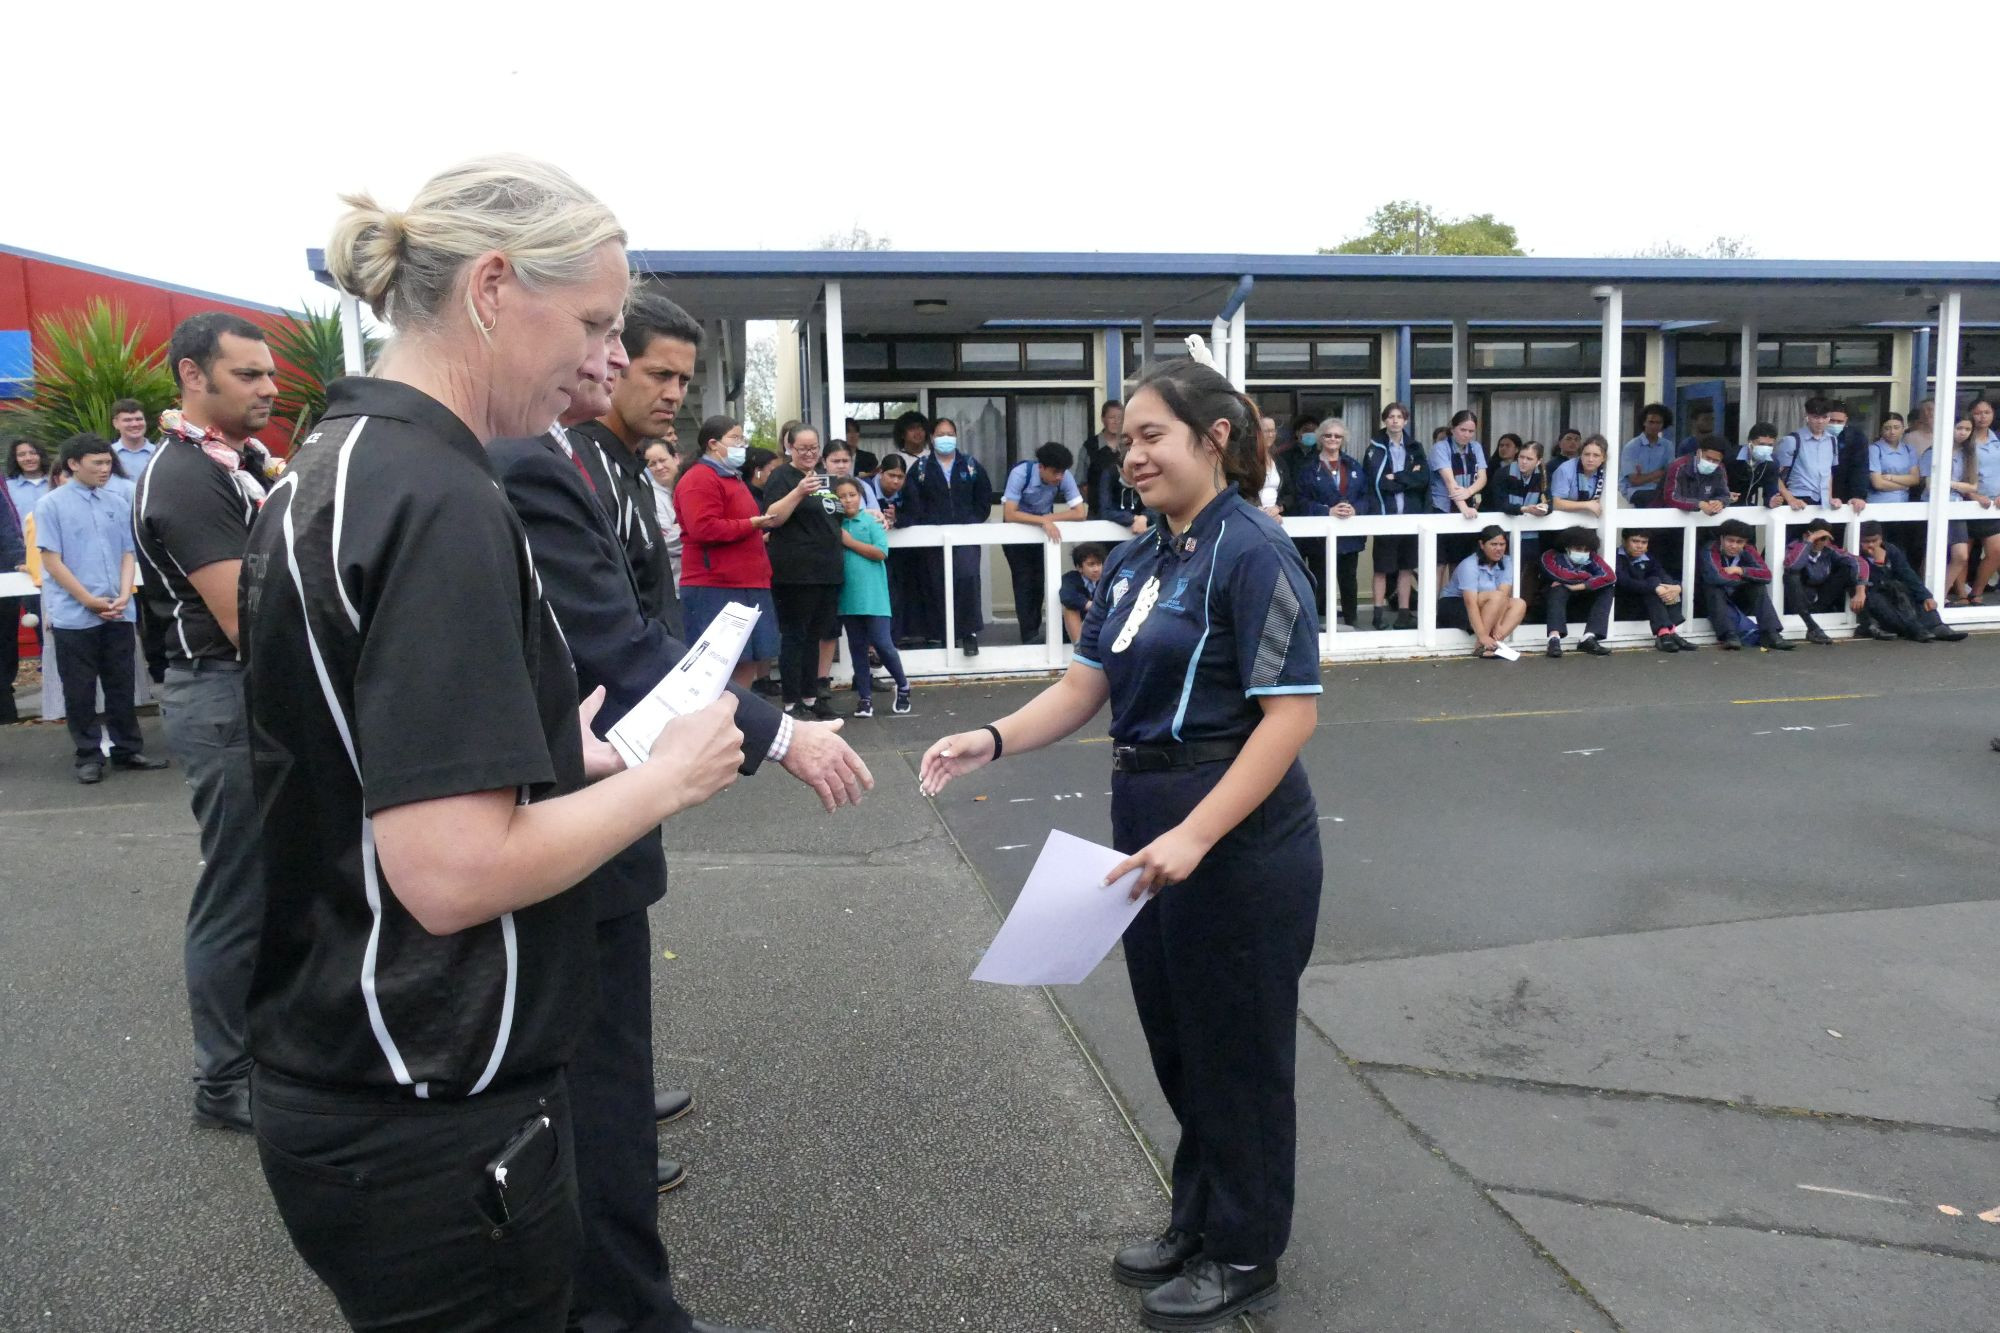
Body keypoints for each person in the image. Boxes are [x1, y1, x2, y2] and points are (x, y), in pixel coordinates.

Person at [243, 154, 763, 1333]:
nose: (604, 356)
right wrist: (665, 776)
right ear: (489, 288)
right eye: (587, 320)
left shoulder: (332, 465)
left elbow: (346, 757)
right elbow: (453, 874)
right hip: (429, 1095)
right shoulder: (442, 496)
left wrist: (546, 755)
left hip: (347, 1067)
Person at [919, 348, 1322, 1330]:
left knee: (1238, 1050)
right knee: (1179, 1039)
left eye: (1150, 436)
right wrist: (992, 736)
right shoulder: (1140, 554)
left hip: (1232, 823)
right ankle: (1198, 1217)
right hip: (1146, 815)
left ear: (1212, 438)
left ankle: (1242, 1249)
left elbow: (1287, 717)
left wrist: (1194, 832)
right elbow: (1083, 683)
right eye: (1123, 440)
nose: (1131, 455)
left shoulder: (1254, 550)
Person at [493, 326, 864, 1333]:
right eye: (620, 351)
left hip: (605, 799)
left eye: (663, 371)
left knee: (603, 1082)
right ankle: (625, 1312)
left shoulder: (598, 463)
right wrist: (780, 733)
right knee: (589, 1098)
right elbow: (617, 641)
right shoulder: (534, 464)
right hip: (568, 804)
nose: (638, 378)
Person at [130, 312, 277, 1135]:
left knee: (274, 882)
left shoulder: (232, 463)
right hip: (225, 694)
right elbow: (246, 617)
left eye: (268, 373)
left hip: (246, 693)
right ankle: (223, 1078)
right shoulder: (187, 478)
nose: (267, 388)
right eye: (247, 374)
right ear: (193, 375)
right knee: (240, 890)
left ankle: (267, 1052)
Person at [35, 434, 164, 783]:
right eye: (97, 463)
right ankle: (88, 755)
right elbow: (52, 561)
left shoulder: (116, 502)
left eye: (108, 462)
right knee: (80, 689)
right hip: (75, 615)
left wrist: (124, 594)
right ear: (74, 464)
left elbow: (127, 553)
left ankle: (127, 748)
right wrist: (88, 600)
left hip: (119, 609)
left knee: (121, 684)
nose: (105, 469)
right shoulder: (51, 505)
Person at [565, 292, 693, 636]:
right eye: (660, 374)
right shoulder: (577, 464)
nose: (674, 394)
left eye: (683, 380)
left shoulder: (636, 470)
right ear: (615, 364)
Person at [678, 415, 793, 687]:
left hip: (749, 582)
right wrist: (750, 524)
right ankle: (722, 722)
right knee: (721, 667)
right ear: (713, 444)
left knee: (748, 662)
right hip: (716, 585)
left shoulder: (732, 478)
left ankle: (739, 722)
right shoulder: (699, 478)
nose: (742, 444)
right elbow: (703, 528)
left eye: (742, 438)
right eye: (735, 438)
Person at [763, 425, 845, 719]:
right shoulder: (782, 476)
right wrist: (798, 492)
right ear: (790, 449)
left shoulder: (825, 479)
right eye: (803, 449)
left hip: (828, 569)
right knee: (795, 636)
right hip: (796, 571)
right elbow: (772, 518)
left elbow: (838, 513)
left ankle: (812, 698)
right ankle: (791, 702)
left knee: (816, 636)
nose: (809, 454)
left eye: (814, 448)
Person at [899, 415, 993, 656]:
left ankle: (968, 633)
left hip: (965, 536)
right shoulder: (919, 469)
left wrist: (971, 521)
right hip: (932, 538)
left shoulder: (971, 465)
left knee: (967, 578)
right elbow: (912, 503)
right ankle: (941, 636)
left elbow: (983, 500)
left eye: (949, 434)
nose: (945, 439)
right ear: (932, 438)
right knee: (935, 584)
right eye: (940, 434)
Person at [833, 476, 911, 717]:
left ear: (861, 497)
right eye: (842, 496)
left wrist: (850, 542)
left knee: (882, 643)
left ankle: (904, 686)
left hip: (874, 596)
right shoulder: (834, 524)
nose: (847, 500)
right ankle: (865, 698)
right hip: (848, 597)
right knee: (857, 647)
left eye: (852, 495)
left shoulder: (870, 521)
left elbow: (880, 553)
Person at [1001, 441, 1086, 644]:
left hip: (1041, 533)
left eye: (1062, 472)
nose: (1059, 477)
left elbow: (1080, 513)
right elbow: (1010, 513)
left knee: (1039, 581)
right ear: (1042, 467)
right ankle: (1028, 635)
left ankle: (1035, 632)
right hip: (1016, 534)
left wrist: (1047, 520)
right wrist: (1043, 521)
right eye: (1055, 472)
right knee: (1023, 580)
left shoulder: (1064, 476)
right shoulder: (1021, 474)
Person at [1286, 418, 1364, 627]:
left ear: (1343, 439)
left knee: (1348, 579)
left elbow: (1366, 496)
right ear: (1321, 438)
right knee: (1320, 579)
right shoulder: (1308, 468)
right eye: (1328, 435)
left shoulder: (1353, 465)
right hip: (1319, 537)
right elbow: (1301, 501)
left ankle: (1352, 620)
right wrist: (1326, 511)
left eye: (1337, 436)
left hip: (1349, 535)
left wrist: (1356, 509)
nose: (1333, 439)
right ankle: (1317, 623)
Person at [1362, 401, 1428, 630]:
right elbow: (1377, 482)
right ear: (1385, 420)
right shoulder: (1375, 448)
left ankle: (1403, 614)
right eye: (1391, 416)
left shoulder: (1415, 447)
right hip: (1385, 516)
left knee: (1406, 568)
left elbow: (1423, 479)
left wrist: (1398, 477)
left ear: (1406, 420)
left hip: (1410, 517)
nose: (1395, 420)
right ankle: (1378, 614)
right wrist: (1407, 478)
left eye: (1399, 416)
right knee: (1381, 568)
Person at [1855, 522, 1967, 642]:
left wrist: (1926, 596)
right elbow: (1871, 582)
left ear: (1881, 538)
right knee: (1882, 601)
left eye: (1875, 540)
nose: (1871, 545)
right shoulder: (1857, 555)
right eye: (1866, 542)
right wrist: (1878, 563)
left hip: (1894, 591)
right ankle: (1914, 629)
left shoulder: (1891, 550)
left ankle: (1937, 626)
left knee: (1914, 594)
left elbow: (1908, 574)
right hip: (1873, 593)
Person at [1700, 518, 1791, 649]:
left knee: (1758, 586)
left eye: (1739, 542)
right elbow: (1716, 576)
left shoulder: (1748, 550)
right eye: (1730, 540)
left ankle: (1771, 634)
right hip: (1711, 602)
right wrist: (1748, 578)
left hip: (1737, 597)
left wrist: (1741, 571)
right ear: (1721, 538)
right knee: (1713, 587)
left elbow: (1766, 575)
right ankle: (1729, 635)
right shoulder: (1710, 548)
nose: (1734, 545)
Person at [1439, 524, 1526, 658]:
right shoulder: (1469, 564)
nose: (1499, 549)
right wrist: (1482, 635)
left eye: (1502, 544)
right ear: (1482, 544)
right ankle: (1481, 645)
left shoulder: (1507, 561)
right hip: (1455, 604)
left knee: (1519, 603)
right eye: (1493, 544)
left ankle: (1494, 643)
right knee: (1495, 597)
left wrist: (1498, 624)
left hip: (1491, 603)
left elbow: (1504, 594)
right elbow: (1470, 603)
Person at [1538, 526, 1616, 657]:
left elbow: (1610, 576)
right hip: (1553, 599)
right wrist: (1588, 576)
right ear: (1567, 546)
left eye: (1586, 550)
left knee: (1607, 588)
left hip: (1581, 596)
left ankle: (1589, 637)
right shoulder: (1550, 556)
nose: (1583, 553)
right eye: (1578, 549)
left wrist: (1580, 586)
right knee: (1558, 588)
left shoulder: (1592, 558)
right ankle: (1554, 639)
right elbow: (1560, 575)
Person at [1615, 531, 1696, 651]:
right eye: (1635, 541)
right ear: (1624, 541)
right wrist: (1654, 587)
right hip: (1624, 602)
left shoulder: (1649, 558)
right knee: (1653, 587)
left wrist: (1676, 587)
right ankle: (1666, 633)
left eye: (1644, 542)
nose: (1640, 546)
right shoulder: (1616, 556)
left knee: (1661, 584)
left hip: (1649, 605)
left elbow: (1663, 575)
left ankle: (1669, 632)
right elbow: (1624, 581)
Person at [1429, 410, 1487, 575]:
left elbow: (1482, 478)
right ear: (1453, 428)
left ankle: (1455, 600)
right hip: (1443, 509)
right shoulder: (1440, 448)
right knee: (1439, 563)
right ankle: (1435, 601)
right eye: (1463, 430)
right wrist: (1464, 508)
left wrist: (1468, 492)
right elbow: (1450, 482)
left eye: (1471, 431)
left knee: (1460, 562)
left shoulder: (1476, 447)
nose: (1467, 435)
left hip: (1467, 506)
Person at [1959, 397, 2000, 602]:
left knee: (1996, 550)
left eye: (1987, 412)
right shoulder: (1965, 440)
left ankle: (1977, 591)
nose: (1982, 417)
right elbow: (1958, 474)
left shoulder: (1997, 439)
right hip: (1968, 502)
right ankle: (1960, 594)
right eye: (1977, 413)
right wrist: (1973, 495)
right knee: (1963, 553)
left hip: (1993, 506)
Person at [640, 439, 683, 589]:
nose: (659, 467)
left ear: (676, 458)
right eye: (652, 464)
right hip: (672, 584)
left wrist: (680, 527)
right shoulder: (649, 496)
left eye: (662, 460)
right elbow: (664, 542)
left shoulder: (689, 487)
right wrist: (694, 528)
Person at [0, 480, 24, 724]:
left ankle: (6, 715)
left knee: (5, 649)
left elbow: (7, 530)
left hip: (3, 582)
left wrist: (19, 561)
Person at [1621, 403, 1674, 508]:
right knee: (1653, 499)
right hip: (1636, 491)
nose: (1654, 426)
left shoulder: (1667, 446)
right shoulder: (1632, 446)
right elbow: (1635, 481)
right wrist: (1659, 472)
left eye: (1658, 423)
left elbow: (1670, 476)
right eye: (1651, 422)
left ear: (1663, 425)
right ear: (1644, 422)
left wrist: (1645, 477)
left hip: (1660, 491)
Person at [1664, 436, 1732, 514]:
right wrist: (1698, 504)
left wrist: (1720, 502)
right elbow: (1671, 497)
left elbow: (1725, 495)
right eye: (1708, 458)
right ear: (1699, 452)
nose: (1711, 463)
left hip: (1704, 519)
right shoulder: (1679, 466)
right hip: (1671, 516)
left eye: (1715, 461)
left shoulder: (1720, 469)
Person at [1080, 399, 1124, 520]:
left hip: (1127, 514)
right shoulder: (1089, 446)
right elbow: (1082, 483)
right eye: (1111, 417)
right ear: (1103, 419)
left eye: (1120, 418)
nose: (1116, 421)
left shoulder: (1129, 444)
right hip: (1096, 514)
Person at [1059, 542, 1107, 643]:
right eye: (1091, 565)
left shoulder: (1106, 579)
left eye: (1099, 564)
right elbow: (1066, 597)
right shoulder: (1071, 578)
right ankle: (1080, 651)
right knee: (1070, 609)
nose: (1096, 569)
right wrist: (1089, 605)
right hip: (1079, 627)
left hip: (1101, 626)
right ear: (1079, 567)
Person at [1731, 422, 1787, 508]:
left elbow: (1770, 491)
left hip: (1747, 507)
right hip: (1722, 505)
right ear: (1750, 442)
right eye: (1761, 444)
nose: (1766, 448)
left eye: (1770, 445)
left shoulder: (1772, 463)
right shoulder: (1732, 457)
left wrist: (1771, 501)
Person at [1551, 434, 1609, 515]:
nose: (1590, 459)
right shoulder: (1565, 469)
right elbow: (1555, 503)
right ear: (1581, 455)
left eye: (1596, 455)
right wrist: (1586, 505)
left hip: (1594, 521)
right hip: (1562, 520)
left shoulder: (1609, 472)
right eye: (1586, 454)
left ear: (1604, 458)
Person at [110, 398, 158, 479]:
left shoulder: (158, 454)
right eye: (127, 420)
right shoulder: (109, 455)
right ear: (115, 424)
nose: (135, 424)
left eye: (139, 419)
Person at [8, 436, 52, 519]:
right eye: (21, 455)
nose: (28, 458)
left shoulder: (57, 483)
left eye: (33, 453)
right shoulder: (7, 488)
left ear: (41, 456)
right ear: (15, 459)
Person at [1482, 433, 1522, 510]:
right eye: (1501, 445)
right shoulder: (1490, 467)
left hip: (1516, 507)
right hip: (1491, 508)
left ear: (1517, 449)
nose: (1503, 448)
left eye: (1508, 446)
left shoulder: (1522, 467)